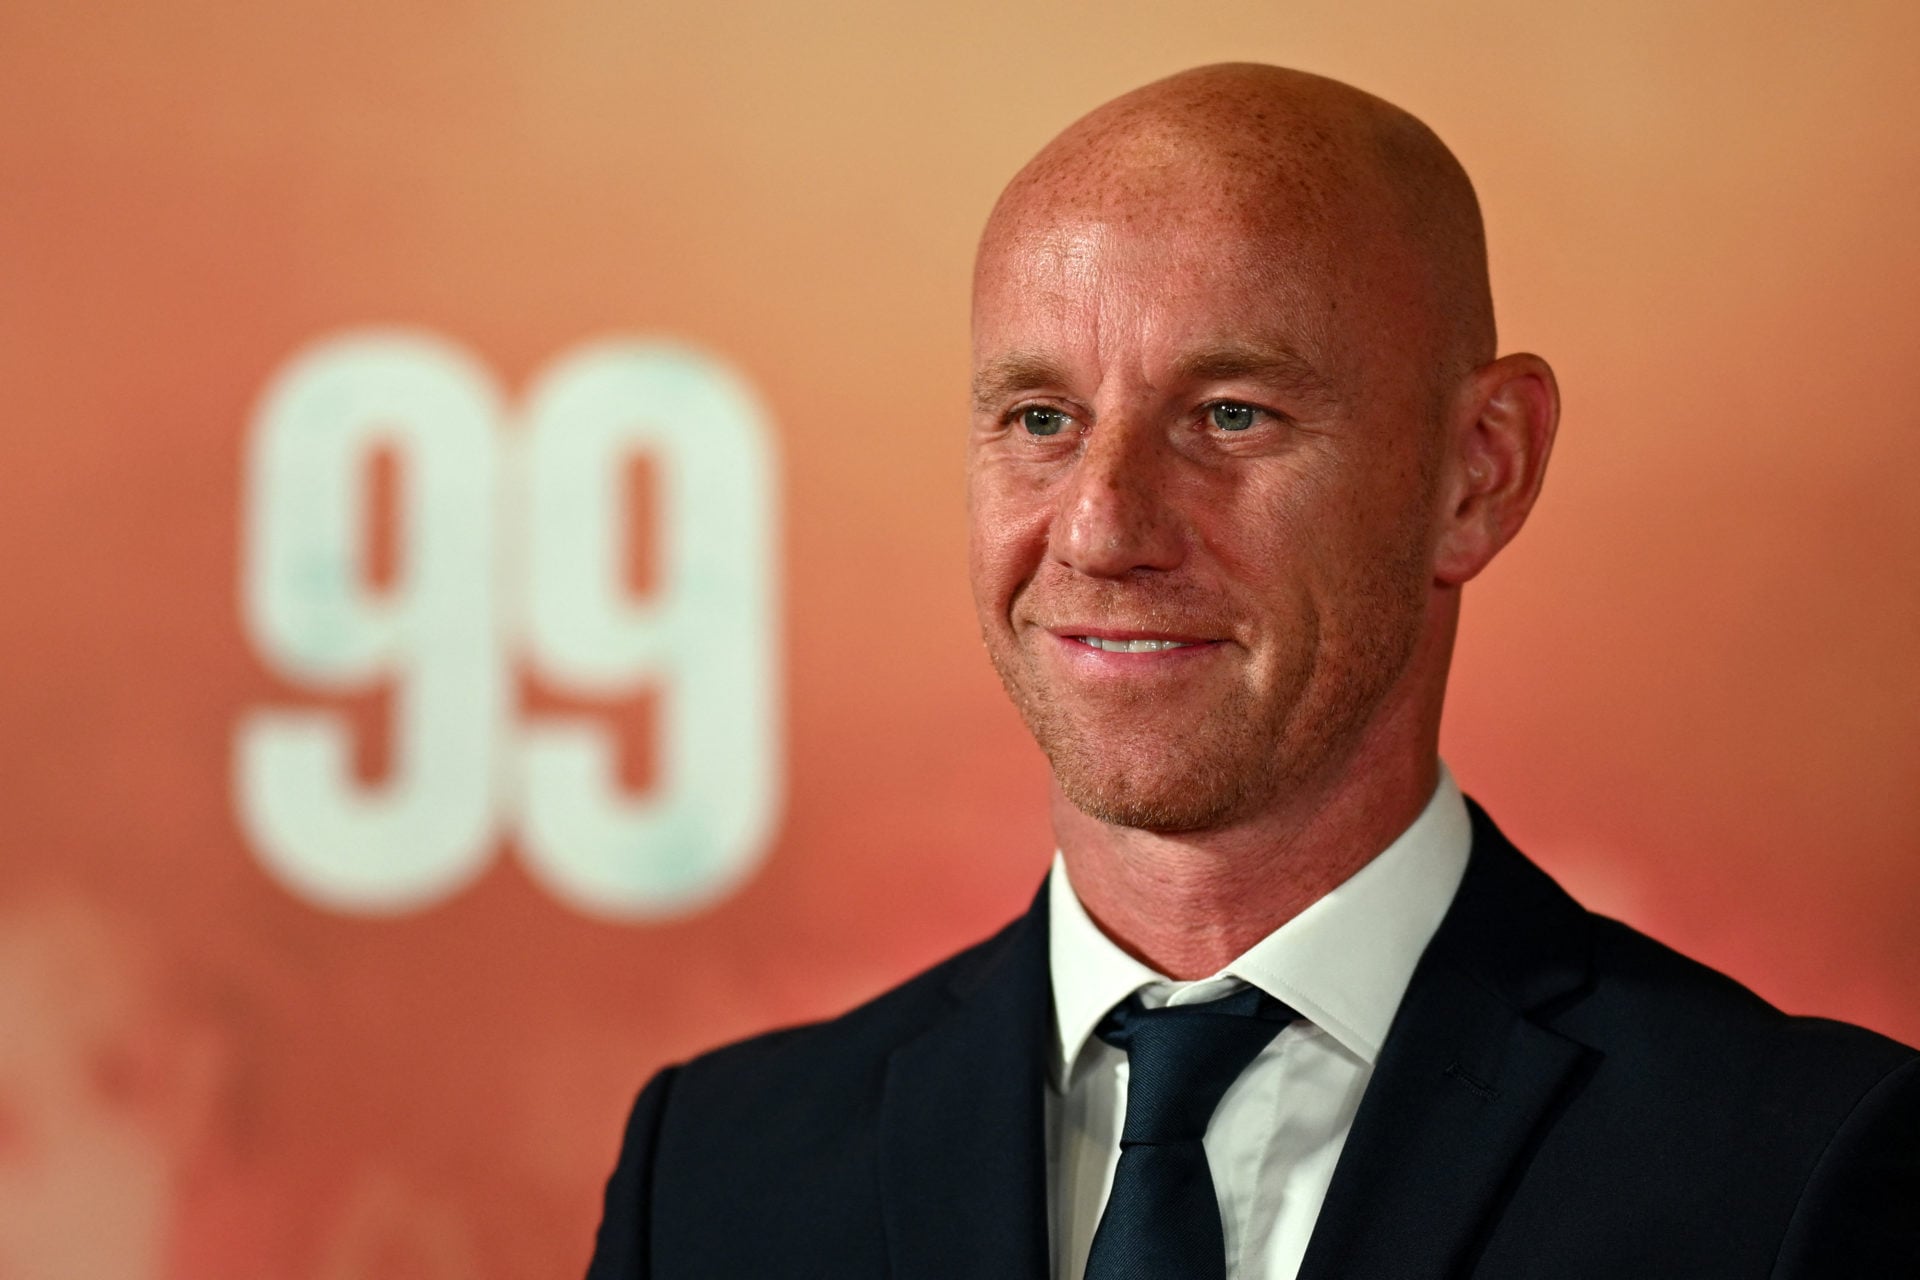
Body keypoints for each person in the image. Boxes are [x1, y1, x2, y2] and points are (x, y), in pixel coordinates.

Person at [585, 63, 1920, 1279]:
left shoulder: (1798, 1173)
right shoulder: (711, 1178)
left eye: (1231, 415)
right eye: (1041, 419)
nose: (1102, 527)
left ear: (1480, 471)